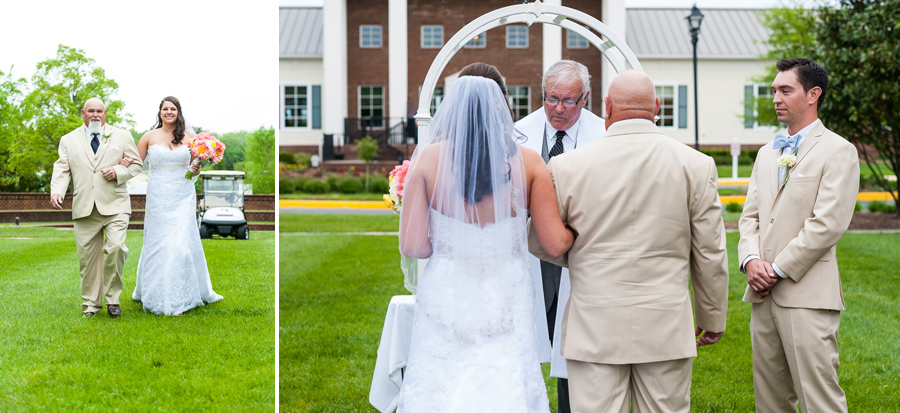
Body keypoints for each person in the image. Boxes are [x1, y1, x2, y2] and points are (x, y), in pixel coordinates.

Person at [529, 70, 729, 412]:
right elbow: (710, 252)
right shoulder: (696, 164)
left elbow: (541, 241)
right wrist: (712, 317)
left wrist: (583, 255)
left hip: (594, 323)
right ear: (657, 107)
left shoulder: (566, 166)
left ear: (606, 107)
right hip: (665, 322)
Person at [396, 62, 574, 411]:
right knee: (506, 380)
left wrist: (450, 240)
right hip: (507, 293)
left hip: (446, 291)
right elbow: (554, 243)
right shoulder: (530, 163)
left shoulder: (428, 161)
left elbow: (414, 246)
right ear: (504, 107)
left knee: (442, 384)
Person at [738, 58, 858, 412]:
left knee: (819, 399)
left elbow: (828, 224)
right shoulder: (766, 152)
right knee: (770, 401)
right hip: (762, 296)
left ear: (813, 94)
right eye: (774, 90)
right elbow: (750, 218)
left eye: (785, 90)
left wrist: (776, 269)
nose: (775, 97)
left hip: (807, 295)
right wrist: (751, 260)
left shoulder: (838, 151)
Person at [514, 59, 605, 412]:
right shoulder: (518, 132)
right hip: (529, 255)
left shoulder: (604, 135)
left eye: (569, 101)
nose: (559, 109)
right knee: (527, 343)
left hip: (581, 256)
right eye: (551, 99)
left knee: (575, 351)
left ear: (585, 98)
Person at [125, 96, 222, 316]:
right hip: (158, 195)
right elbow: (135, 163)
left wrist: (195, 170)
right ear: (159, 112)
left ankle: (182, 293)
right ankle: (152, 290)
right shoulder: (149, 136)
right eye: (165, 108)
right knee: (158, 242)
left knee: (179, 242)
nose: (169, 112)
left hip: (182, 194)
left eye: (173, 108)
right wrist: (120, 164)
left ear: (178, 112)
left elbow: (190, 170)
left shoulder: (190, 136)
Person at [51, 98, 144, 318]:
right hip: (84, 206)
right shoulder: (68, 139)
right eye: (90, 110)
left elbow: (137, 164)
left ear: (105, 113)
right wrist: (57, 190)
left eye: (99, 111)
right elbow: (62, 168)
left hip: (116, 204)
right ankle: (91, 305)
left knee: (116, 248)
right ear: (83, 113)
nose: (95, 114)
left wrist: (118, 172)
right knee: (88, 260)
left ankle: (113, 300)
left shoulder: (122, 136)